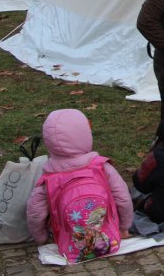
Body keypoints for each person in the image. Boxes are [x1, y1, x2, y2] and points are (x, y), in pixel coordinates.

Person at [26, 109, 133, 259]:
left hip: (67, 243)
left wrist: (41, 238)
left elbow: (35, 213)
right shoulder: (101, 167)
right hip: (111, 237)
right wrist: (124, 227)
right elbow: (123, 198)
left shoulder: (49, 178)